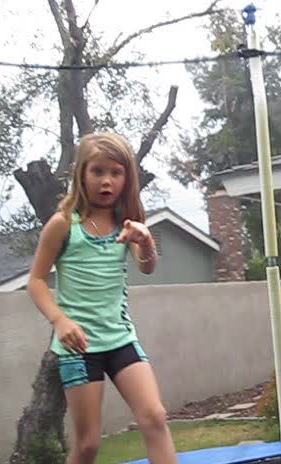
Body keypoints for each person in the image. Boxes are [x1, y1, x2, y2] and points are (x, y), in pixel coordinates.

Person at [27, 132, 178, 464]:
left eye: (115, 172)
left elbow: (147, 267)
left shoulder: (126, 223)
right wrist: (60, 321)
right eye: (97, 171)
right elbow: (36, 281)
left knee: (155, 417)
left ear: (126, 178)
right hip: (79, 348)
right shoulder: (63, 225)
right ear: (82, 174)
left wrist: (146, 241)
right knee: (88, 445)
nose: (106, 181)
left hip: (121, 339)